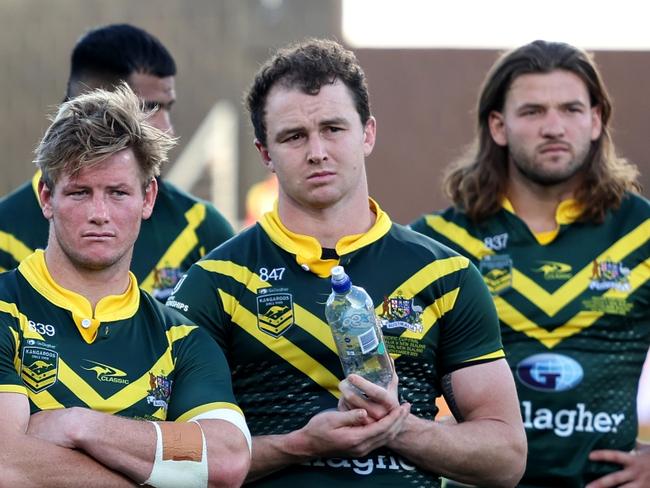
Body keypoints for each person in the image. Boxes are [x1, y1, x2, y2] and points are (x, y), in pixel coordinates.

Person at [166, 38, 526, 487]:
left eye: (334, 128)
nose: (317, 151)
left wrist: (400, 428)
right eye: (294, 136)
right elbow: (173, 457)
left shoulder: (445, 276)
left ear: (368, 133)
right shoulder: (214, 283)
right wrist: (301, 444)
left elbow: (506, 458)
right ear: (265, 154)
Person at [410, 40, 650, 488]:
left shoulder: (642, 233)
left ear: (596, 120)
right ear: (499, 126)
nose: (554, 126)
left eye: (572, 109)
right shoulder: (438, 242)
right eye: (533, 111)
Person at [0, 85, 251, 487]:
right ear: (47, 197)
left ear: (147, 197)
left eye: (117, 193)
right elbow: (6, 464)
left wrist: (80, 426)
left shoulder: (181, 339)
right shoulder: (4, 309)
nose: (99, 214)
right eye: (80, 193)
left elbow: (224, 458)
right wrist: (161, 469)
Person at [0, 23, 234, 302]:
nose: (168, 130)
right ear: (91, 105)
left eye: (167, 108)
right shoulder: (6, 233)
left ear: (148, 199)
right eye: (149, 108)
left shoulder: (202, 228)